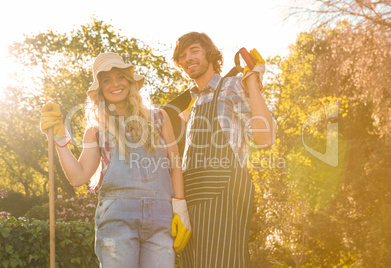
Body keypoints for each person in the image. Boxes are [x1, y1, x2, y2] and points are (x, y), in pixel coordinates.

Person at [40, 52, 191, 267]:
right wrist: (59, 140)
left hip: (161, 218)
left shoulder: (158, 117)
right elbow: (78, 176)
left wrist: (180, 207)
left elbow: (176, 165)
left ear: (129, 81)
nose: (115, 84)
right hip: (117, 220)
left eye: (120, 76)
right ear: (100, 88)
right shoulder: (96, 131)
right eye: (107, 80)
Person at [172, 32, 276, 267]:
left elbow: (264, 138)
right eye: (182, 56)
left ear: (209, 53)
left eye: (194, 50)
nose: (188, 58)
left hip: (225, 195)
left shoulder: (230, 87)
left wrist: (252, 84)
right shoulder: (193, 103)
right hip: (192, 200)